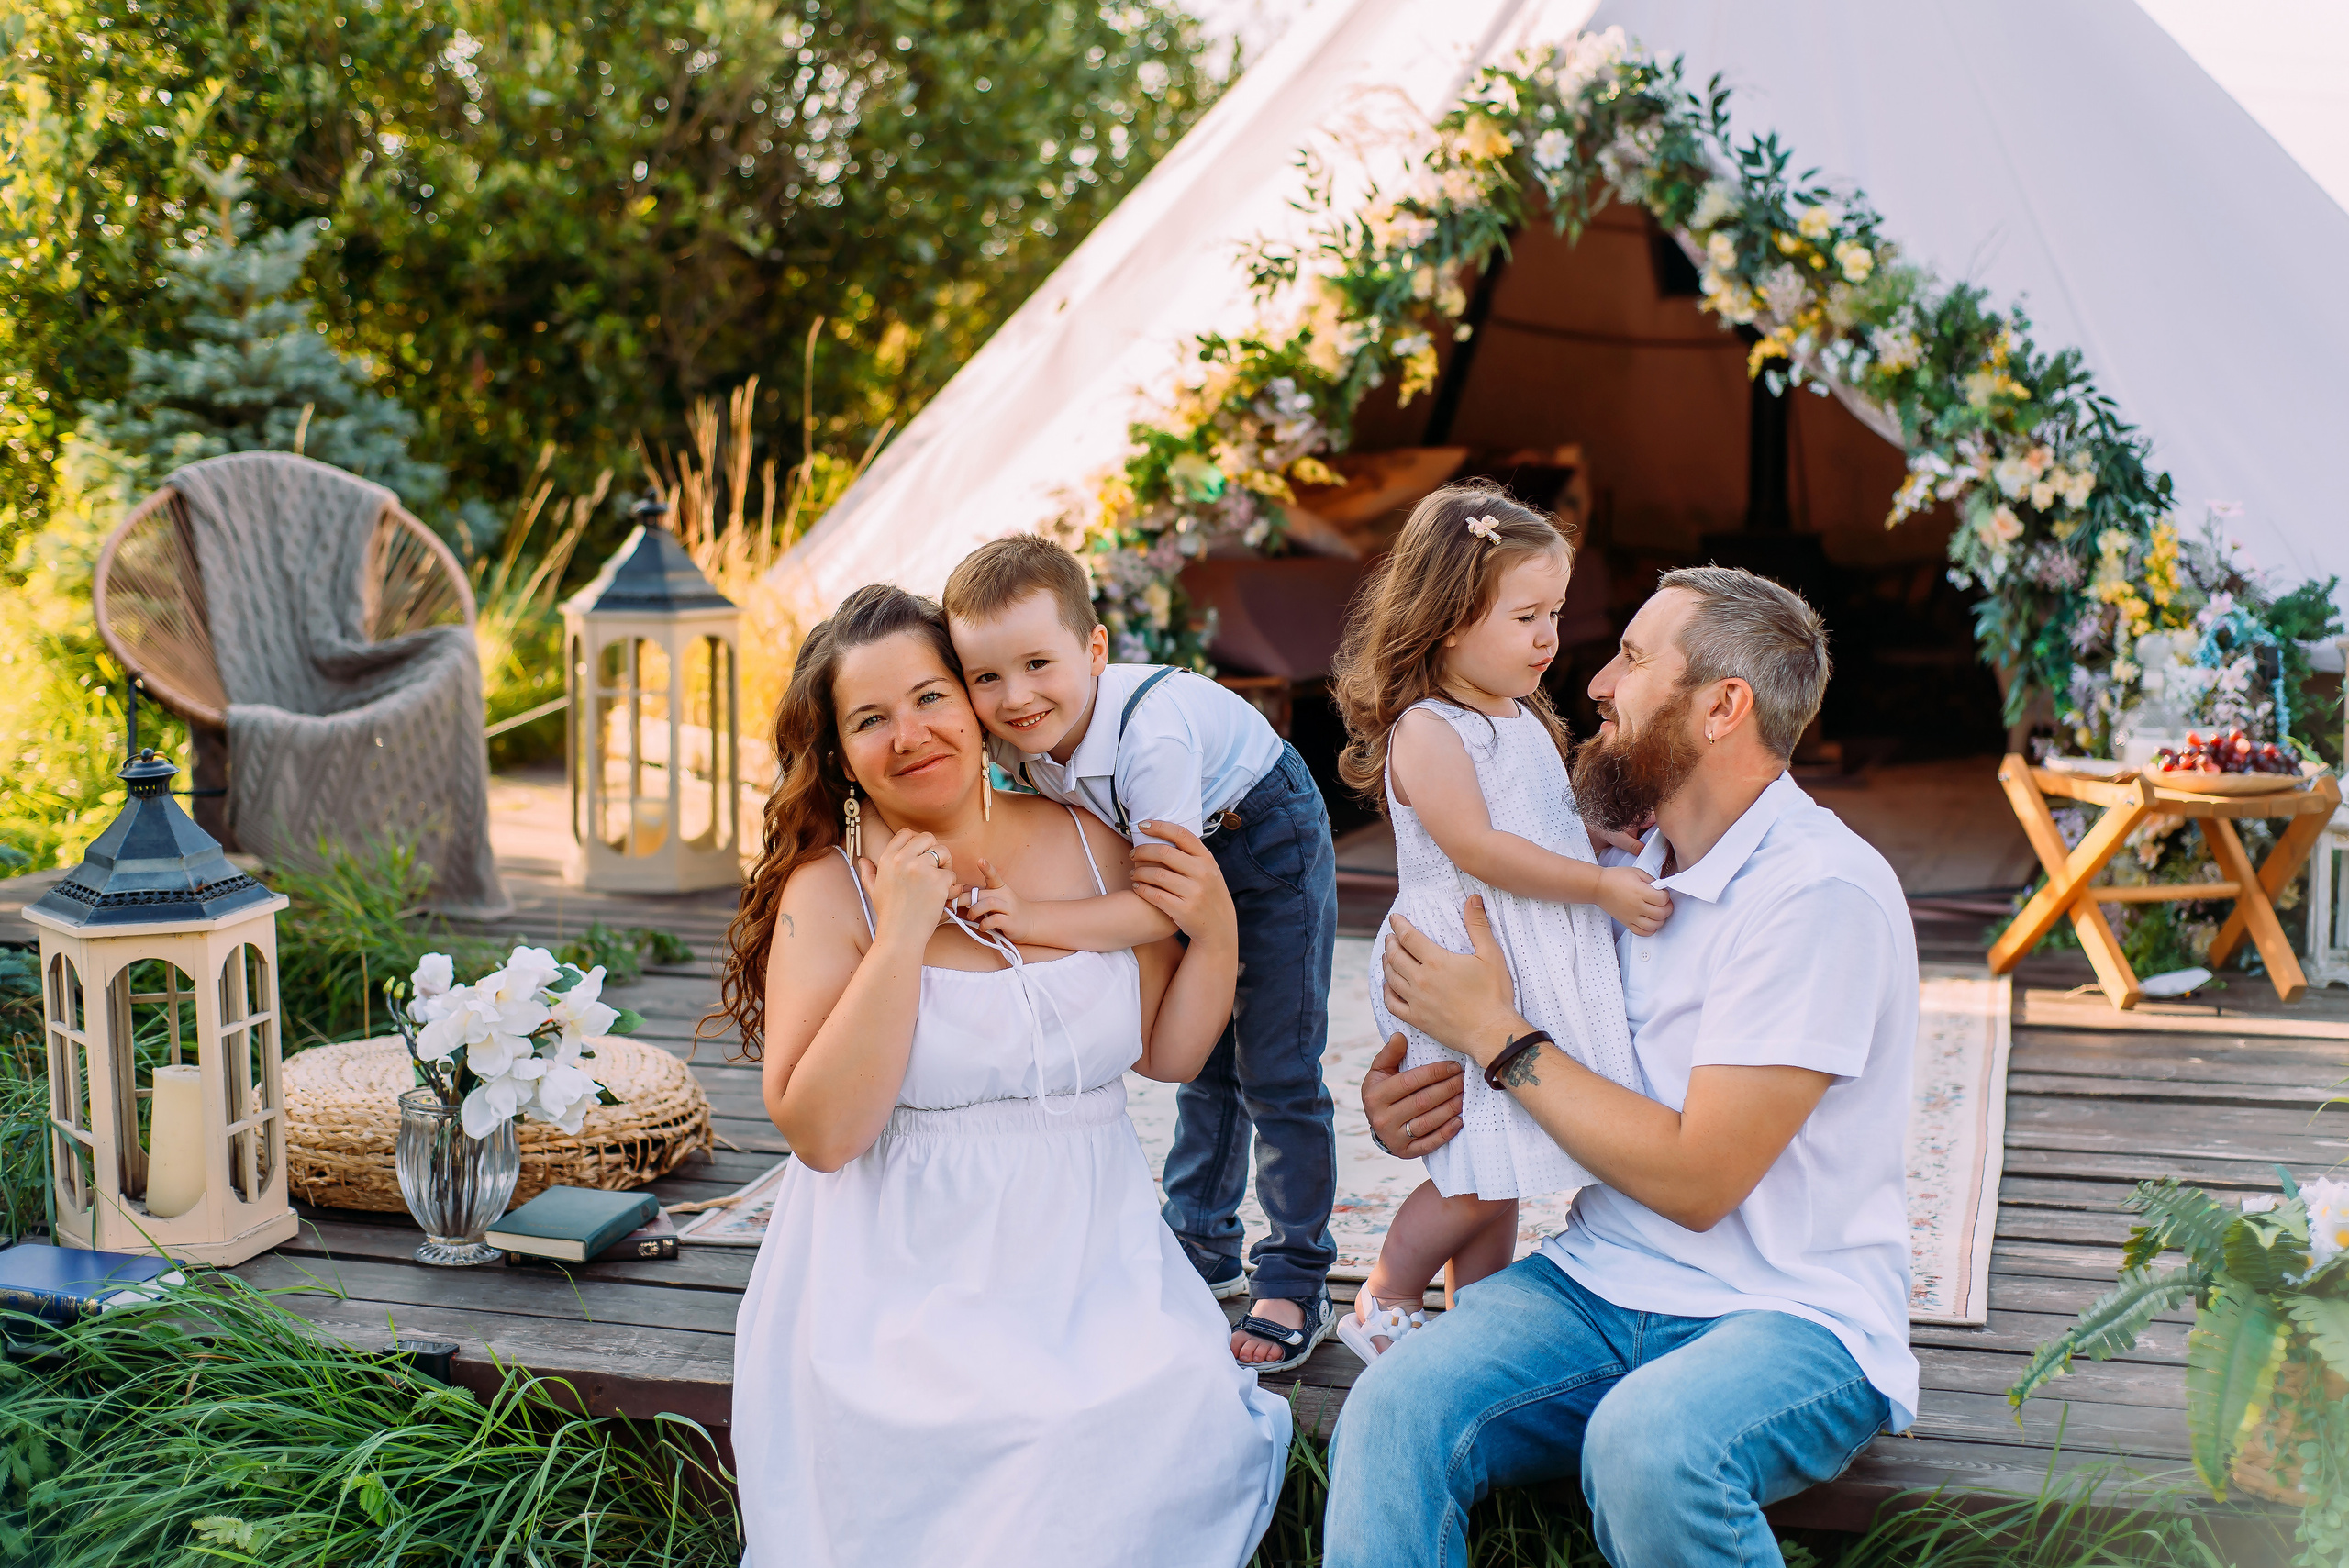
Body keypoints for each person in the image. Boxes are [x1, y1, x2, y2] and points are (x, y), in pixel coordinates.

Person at [1326, 566, 1919, 1568]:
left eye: (1635, 658)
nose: (1595, 681)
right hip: (1597, 1281)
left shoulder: (1818, 894)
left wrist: (1498, 1040)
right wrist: (1419, 1096)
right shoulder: (1626, 874)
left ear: (1722, 707)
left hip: (1790, 1314)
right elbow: (1509, 1045)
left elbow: (1697, 1179)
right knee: (1391, 1401)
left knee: (1647, 1443)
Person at [721, 584, 1289, 1568]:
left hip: (1093, 1259)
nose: (910, 734)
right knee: (1024, 1446)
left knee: (1143, 1422)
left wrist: (1217, 929)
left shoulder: (1087, 836)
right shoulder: (830, 890)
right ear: (839, 752)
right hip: (900, 1288)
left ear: (975, 703)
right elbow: (821, 1134)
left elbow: (1170, 1054)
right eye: (870, 718)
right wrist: (900, 930)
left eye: (930, 696)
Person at [941, 535, 1341, 1372]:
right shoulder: (1017, 735)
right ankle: (1201, 1239)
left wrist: (1033, 918)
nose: (1015, 698)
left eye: (1038, 664)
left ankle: (1300, 1272)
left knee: (1276, 1058)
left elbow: (1160, 909)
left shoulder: (1148, 738)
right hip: (1164, 848)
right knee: (1207, 1060)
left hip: (1261, 835)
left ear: (1095, 649)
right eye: (986, 676)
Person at [1324, 484, 1667, 1363]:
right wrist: (1596, 884)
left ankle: (1474, 1317)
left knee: (1506, 1159)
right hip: (1460, 960)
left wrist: (1583, 834)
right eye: (1526, 616)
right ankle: (1385, 1295)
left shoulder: (1515, 718)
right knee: (1477, 1163)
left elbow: (1528, 823)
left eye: (1554, 611)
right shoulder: (1430, 730)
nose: (1550, 636)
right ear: (1447, 619)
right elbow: (1478, 847)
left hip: (1516, 951)